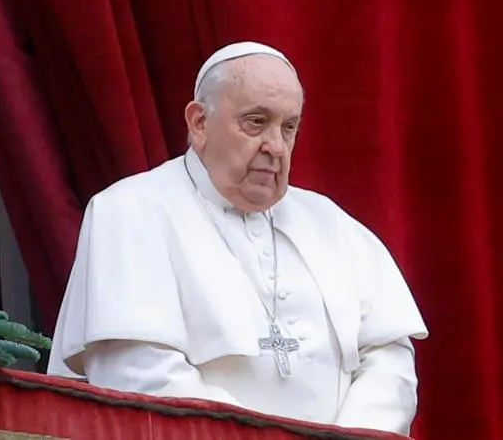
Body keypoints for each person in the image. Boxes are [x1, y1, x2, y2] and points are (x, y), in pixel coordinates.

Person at [47, 41, 428, 435]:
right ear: (199, 123)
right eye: (256, 122)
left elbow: (389, 361)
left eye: (288, 127)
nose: (275, 146)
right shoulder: (128, 211)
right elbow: (138, 372)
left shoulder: (331, 223)